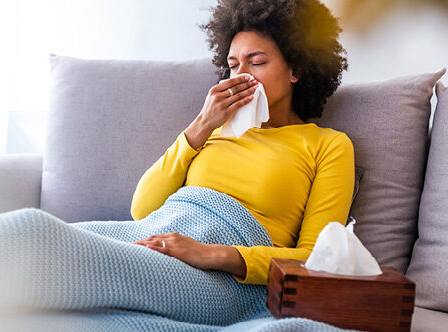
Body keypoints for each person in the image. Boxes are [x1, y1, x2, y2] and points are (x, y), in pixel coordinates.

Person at [132, 0, 354, 285]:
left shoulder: (328, 146)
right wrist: (202, 124)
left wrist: (210, 255)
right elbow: (142, 210)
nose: (241, 76)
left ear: (295, 70)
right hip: (151, 242)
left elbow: (315, 258)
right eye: (233, 65)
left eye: (257, 62)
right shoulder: (212, 128)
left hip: (219, 276)